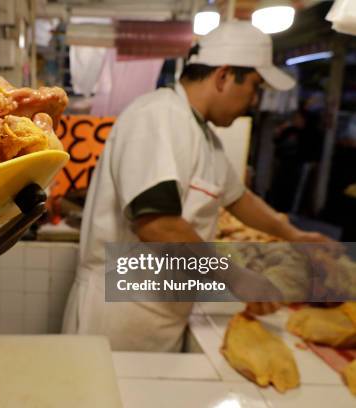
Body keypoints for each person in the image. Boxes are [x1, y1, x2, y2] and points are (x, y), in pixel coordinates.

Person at [61, 21, 334, 352]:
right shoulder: (158, 116)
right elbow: (157, 224)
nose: (254, 100)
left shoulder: (203, 136)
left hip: (160, 314)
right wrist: (235, 276)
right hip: (120, 315)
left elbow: (239, 198)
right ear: (223, 76)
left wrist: (295, 235)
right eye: (254, 86)